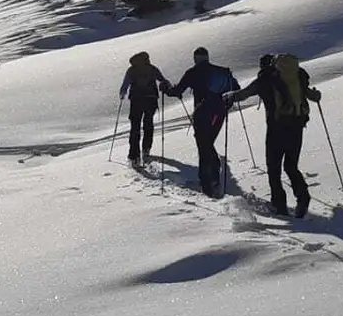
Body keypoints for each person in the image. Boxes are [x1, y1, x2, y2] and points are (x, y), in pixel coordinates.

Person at [233, 52, 321, 217]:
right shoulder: (296, 76)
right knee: (291, 166)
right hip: (297, 126)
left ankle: (279, 205)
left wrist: (229, 97)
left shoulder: (265, 79)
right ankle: (303, 196)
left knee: (274, 169)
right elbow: (312, 95)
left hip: (276, 129)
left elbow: (244, 94)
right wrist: (316, 95)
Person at [167, 46, 240, 197]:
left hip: (202, 113)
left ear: (195, 58)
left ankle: (207, 184)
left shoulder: (192, 72)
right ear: (207, 57)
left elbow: (177, 91)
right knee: (207, 143)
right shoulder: (220, 71)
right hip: (219, 112)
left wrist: (165, 88)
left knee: (203, 145)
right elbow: (236, 89)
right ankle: (214, 176)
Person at [118, 51, 170, 164]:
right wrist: (166, 86)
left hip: (136, 100)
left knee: (135, 126)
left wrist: (122, 94)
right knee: (148, 124)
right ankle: (146, 149)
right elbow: (163, 80)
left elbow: (125, 85)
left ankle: (134, 156)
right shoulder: (152, 68)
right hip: (151, 100)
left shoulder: (132, 70)